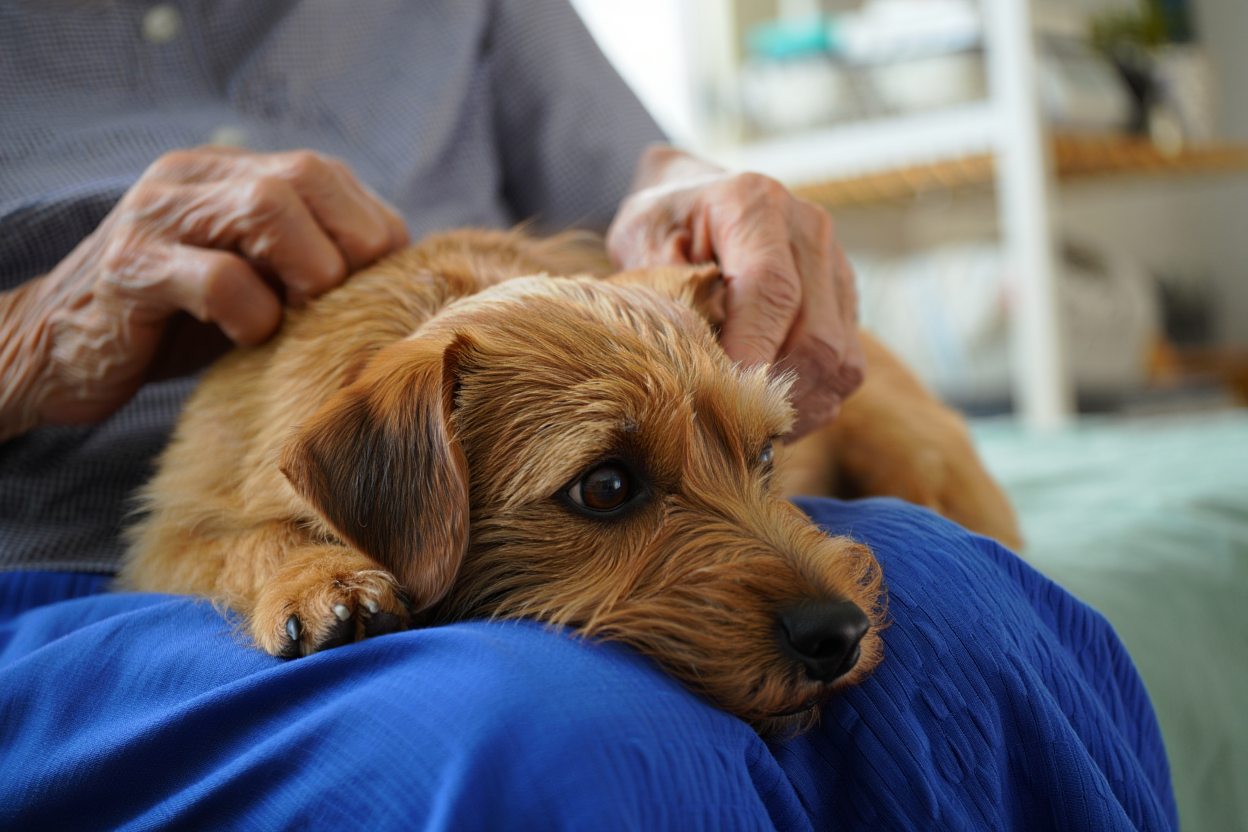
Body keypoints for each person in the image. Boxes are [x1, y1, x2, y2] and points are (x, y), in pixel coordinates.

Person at [0, 1, 1177, 829]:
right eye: (609, 489)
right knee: (560, 735)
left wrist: (702, 202)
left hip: (518, 394)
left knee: (980, 616)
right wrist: (28, 337)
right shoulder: (274, 479)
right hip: (69, 573)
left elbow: (650, 191)